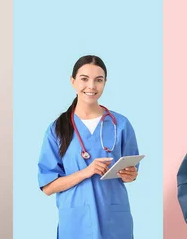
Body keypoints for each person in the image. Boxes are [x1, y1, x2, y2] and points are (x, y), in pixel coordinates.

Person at [38, 55, 140, 239]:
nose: (91, 86)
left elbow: (131, 174)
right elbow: (48, 187)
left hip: (114, 220)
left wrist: (130, 175)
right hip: (77, 222)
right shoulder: (57, 129)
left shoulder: (121, 124)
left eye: (98, 80)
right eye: (84, 79)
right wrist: (87, 171)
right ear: (73, 81)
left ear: (105, 82)